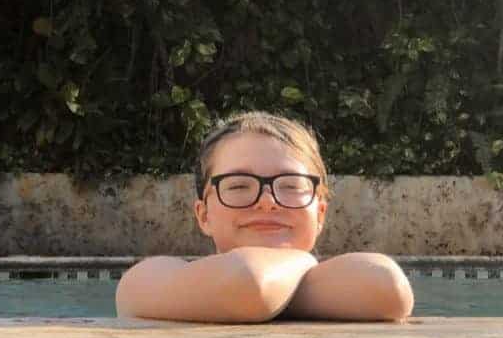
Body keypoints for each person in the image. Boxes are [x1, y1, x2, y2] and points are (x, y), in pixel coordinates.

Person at [115, 111, 415, 322]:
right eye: (239, 185)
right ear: (204, 214)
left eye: (291, 186)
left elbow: (388, 287)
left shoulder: (357, 277)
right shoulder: (148, 278)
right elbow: (248, 283)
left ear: (320, 213)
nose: (268, 202)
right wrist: (303, 261)